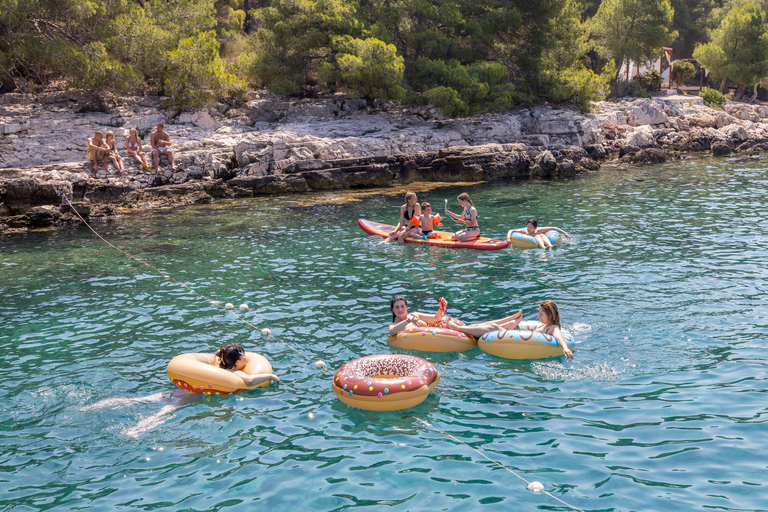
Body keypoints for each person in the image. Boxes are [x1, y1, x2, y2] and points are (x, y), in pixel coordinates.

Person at [388, 295, 522, 337]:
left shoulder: (414, 314)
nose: (401, 309)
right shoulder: (395, 325)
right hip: (447, 332)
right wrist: (408, 320)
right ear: (393, 310)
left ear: (406, 307)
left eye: (402, 306)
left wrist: (441, 308)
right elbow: (393, 331)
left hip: (446, 327)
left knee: (478, 326)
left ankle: (508, 321)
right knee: (489, 327)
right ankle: (507, 324)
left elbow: (436, 319)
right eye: (397, 307)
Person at [214, 343, 280, 386]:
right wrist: (270, 376)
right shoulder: (234, 372)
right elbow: (250, 380)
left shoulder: (219, 365)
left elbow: (218, 353)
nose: (246, 357)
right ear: (237, 362)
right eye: (244, 355)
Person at [507, 218, 572, 249]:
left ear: (535, 228)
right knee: (538, 236)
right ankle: (543, 247)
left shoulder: (538, 231)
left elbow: (554, 228)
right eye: (528, 226)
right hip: (534, 242)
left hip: (542, 239)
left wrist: (564, 233)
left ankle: (550, 245)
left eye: (531, 227)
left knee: (540, 234)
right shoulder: (524, 232)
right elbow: (511, 230)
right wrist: (508, 238)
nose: (528, 228)